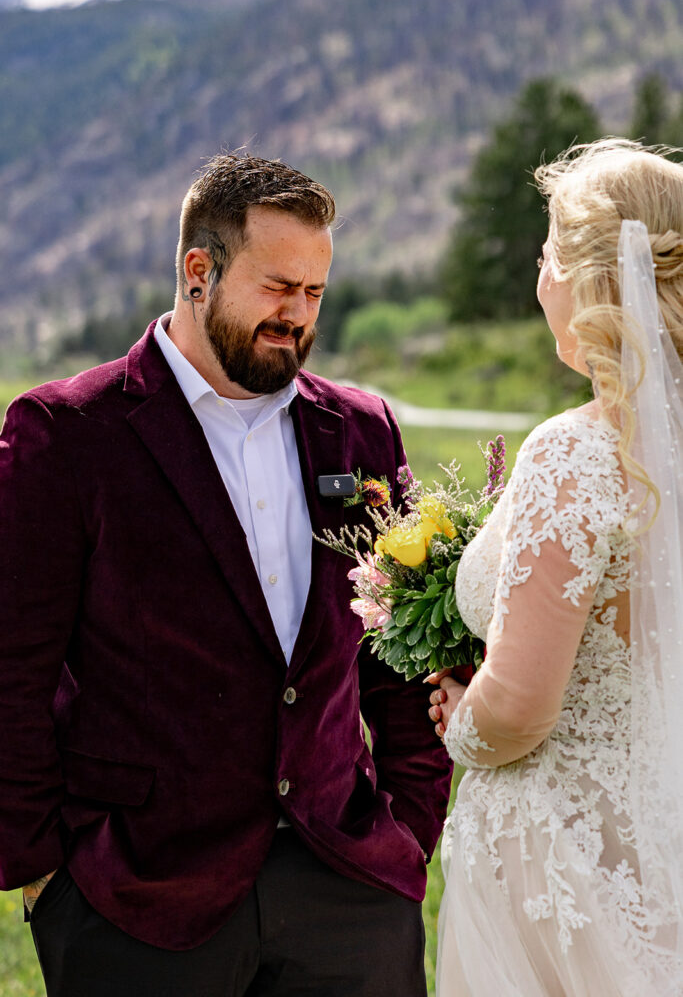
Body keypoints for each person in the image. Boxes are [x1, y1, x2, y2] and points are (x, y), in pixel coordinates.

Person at [0, 153, 452, 997]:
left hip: (345, 886)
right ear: (198, 272)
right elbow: (13, 668)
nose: (298, 316)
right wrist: (43, 869)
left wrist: (409, 828)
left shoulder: (360, 433)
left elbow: (399, 642)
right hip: (136, 898)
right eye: (278, 287)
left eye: (314, 293)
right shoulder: (67, 433)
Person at [427, 139, 683, 995]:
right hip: (659, 841)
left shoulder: (574, 454)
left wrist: (460, 718)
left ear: (580, 276)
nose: (538, 276)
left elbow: (520, 709)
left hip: (557, 859)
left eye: (545, 252)